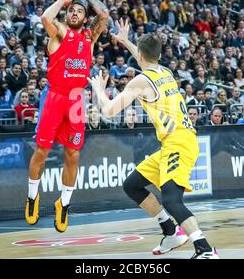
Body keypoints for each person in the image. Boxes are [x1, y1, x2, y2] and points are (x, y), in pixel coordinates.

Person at [88, 19, 218, 259]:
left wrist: (98, 89)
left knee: (171, 199)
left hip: (178, 143)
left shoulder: (141, 81)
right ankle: (170, 231)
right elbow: (142, 58)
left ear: (140, 53)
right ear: (158, 54)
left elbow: (107, 111)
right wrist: (126, 39)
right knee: (132, 185)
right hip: (175, 142)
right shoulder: (164, 71)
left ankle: (206, 250)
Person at [26, 0, 109, 233]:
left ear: (85, 18)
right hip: (54, 97)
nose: (74, 12)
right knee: (41, 151)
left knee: (73, 154)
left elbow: (104, 14)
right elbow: (44, 18)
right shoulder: (60, 32)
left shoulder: (89, 36)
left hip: (75, 98)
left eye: (79, 10)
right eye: (72, 10)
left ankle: (64, 204)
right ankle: (32, 197)